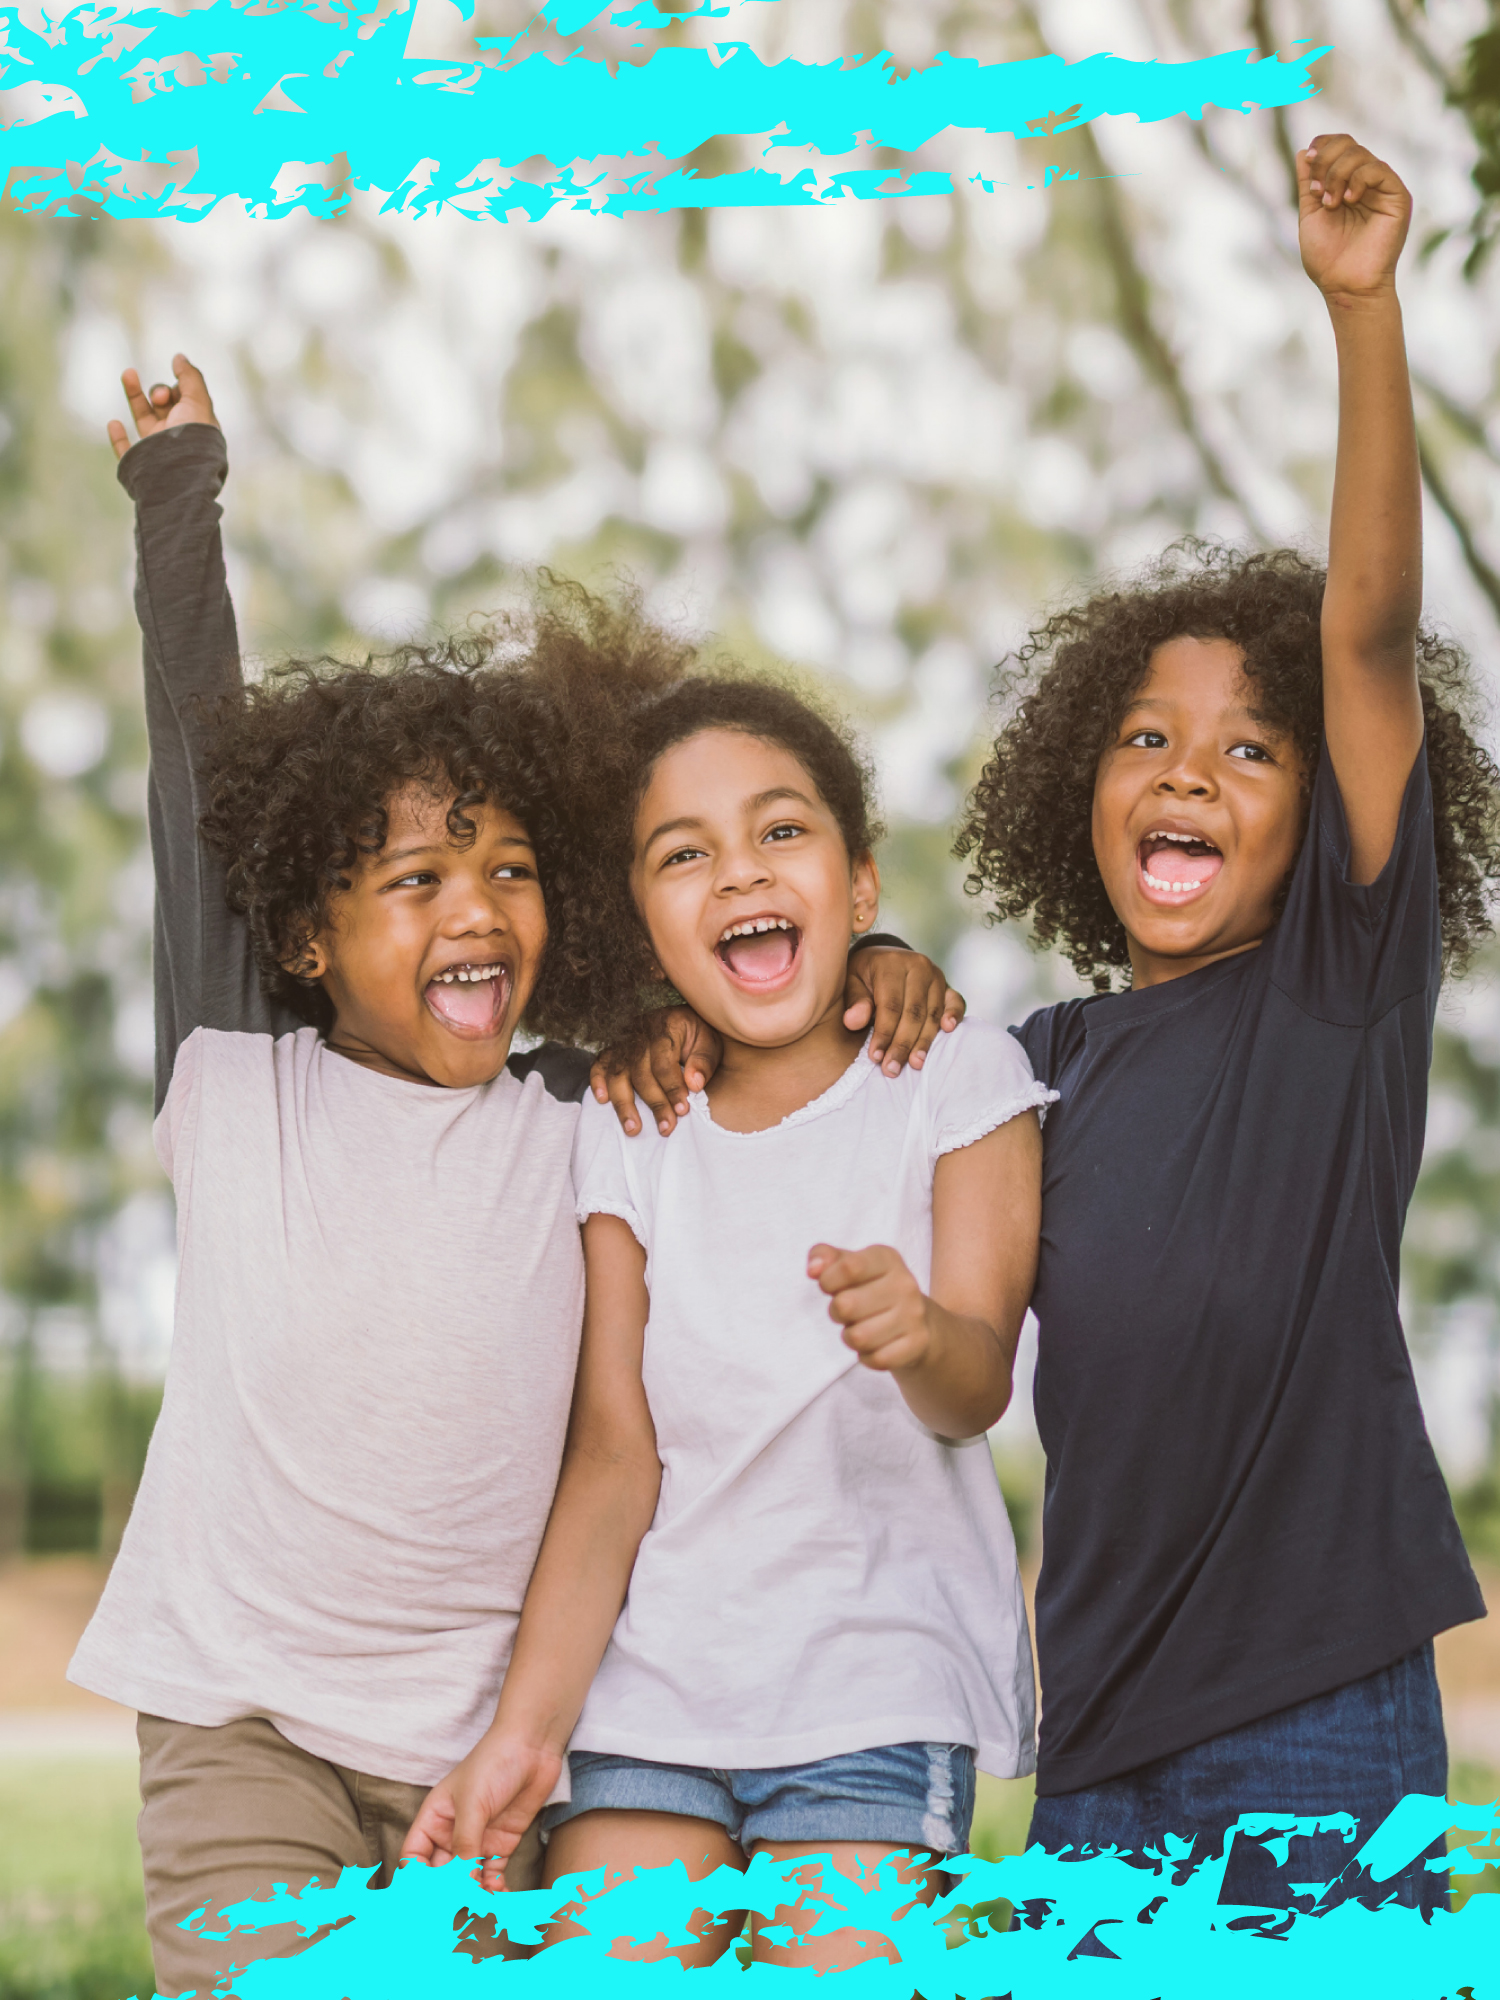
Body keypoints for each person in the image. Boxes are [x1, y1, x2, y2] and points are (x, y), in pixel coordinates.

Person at [67, 361, 964, 1996]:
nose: (476, 907)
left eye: (513, 870)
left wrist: (875, 959)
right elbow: (197, 778)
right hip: (244, 1722)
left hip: (493, 1749)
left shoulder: (590, 1102)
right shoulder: (237, 1074)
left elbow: (747, 963)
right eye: (416, 880)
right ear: (301, 935)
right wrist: (175, 495)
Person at [956, 134, 1496, 1913]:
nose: (1190, 767)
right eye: (1147, 740)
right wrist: (887, 980)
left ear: (1312, 810)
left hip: (1319, 1718)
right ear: (1075, 795)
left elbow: (1366, 635)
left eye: (1248, 749)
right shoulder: (1034, 1068)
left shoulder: (1339, 994)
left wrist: (1360, 313)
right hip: (1095, 1733)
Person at [401, 670, 1050, 1968]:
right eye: (684, 854)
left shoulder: (956, 1078)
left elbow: (975, 1383)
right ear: (643, 926)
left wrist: (918, 1333)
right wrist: (522, 1736)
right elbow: (613, 1457)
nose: (740, 874)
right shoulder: (630, 1122)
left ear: (861, 888)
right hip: (652, 1694)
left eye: (781, 831)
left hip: (876, 1677)